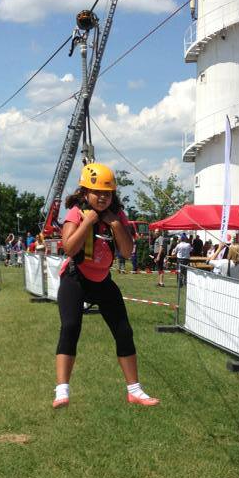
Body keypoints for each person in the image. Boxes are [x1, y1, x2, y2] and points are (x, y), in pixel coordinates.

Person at [54, 163, 159, 410]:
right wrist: (87, 222)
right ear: (84, 193)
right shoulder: (76, 213)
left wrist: (114, 225)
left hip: (102, 280)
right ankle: (62, 390)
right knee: (70, 326)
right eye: (97, 192)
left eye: (107, 193)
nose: (102, 197)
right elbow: (69, 248)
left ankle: (134, 390)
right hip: (75, 278)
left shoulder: (117, 216)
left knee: (123, 330)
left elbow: (126, 251)